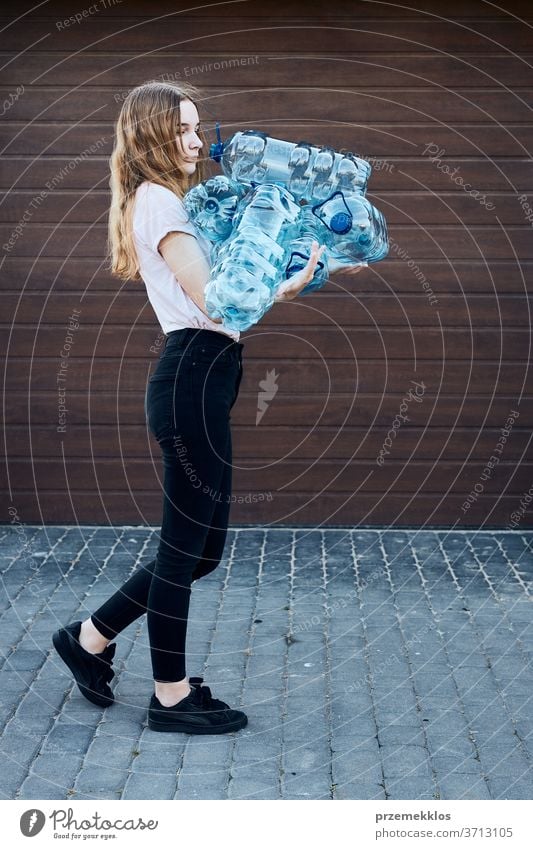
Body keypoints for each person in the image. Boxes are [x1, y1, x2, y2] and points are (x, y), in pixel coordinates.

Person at [52, 80, 363, 734]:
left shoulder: (171, 200)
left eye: (197, 128)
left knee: (199, 550)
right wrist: (283, 262)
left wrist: (301, 267)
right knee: (181, 549)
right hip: (192, 375)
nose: (197, 141)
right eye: (184, 130)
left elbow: (230, 289)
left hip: (205, 375)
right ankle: (170, 695)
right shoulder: (160, 202)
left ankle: (88, 638)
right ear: (151, 136)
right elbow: (220, 298)